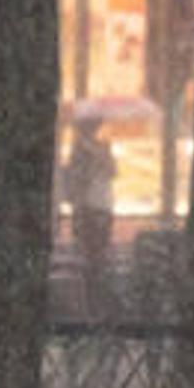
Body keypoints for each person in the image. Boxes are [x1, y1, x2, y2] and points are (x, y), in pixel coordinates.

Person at [63, 115, 117, 308]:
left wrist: (97, 157)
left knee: (96, 252)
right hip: (89, 205)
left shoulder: (101, 148)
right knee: (90, 252)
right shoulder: (79, 151)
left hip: (98, 205)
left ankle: (97, 297)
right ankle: (93, 297)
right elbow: (76, 178)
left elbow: (112, 171)